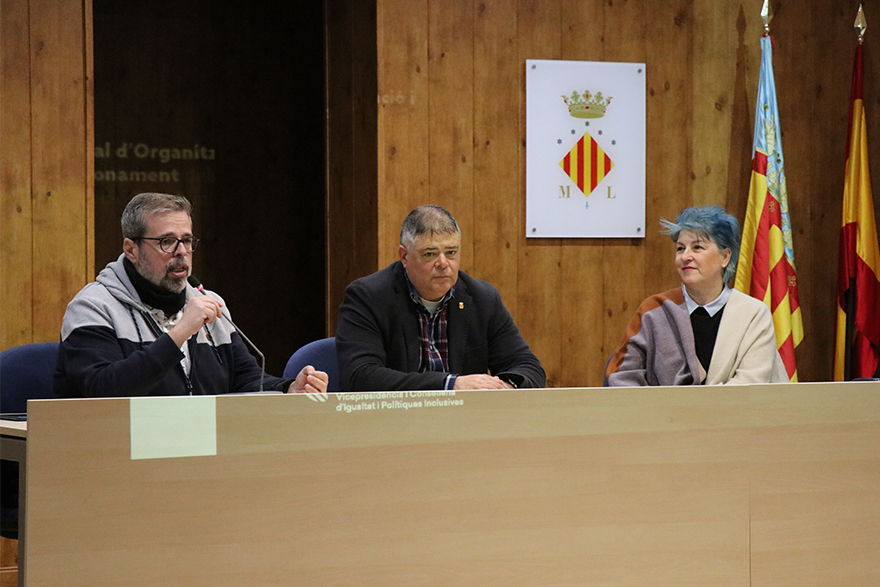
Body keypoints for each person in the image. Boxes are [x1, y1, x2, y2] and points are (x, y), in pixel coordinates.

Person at [54, 192, 328, 397]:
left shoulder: (209, 303)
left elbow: (245, 381)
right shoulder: (93, 307)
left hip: (201, 451)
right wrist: (180, 332)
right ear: (131, 249)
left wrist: (287, 389)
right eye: (167, 241)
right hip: (116, 455)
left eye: (186, 240)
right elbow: (102, 392)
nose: (181, 252)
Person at [336, 205, 546, 391]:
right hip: (394, 423)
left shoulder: (482, 298)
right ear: (404, 256)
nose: (443, 263)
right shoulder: (368, 297)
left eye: (451, 252)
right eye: (430, 254)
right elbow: (360, 376)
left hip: (464, 425)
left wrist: (504, 387)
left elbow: (528, 367)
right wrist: (450, 384)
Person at [605, 205, 789, 386]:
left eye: (697, 247)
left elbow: (750, 385)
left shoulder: (753, 314)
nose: (685, 257)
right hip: (663, 415)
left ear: (725, 257)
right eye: (680, 248)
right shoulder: (654, 310)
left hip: (733, 415)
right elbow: (623, 376)